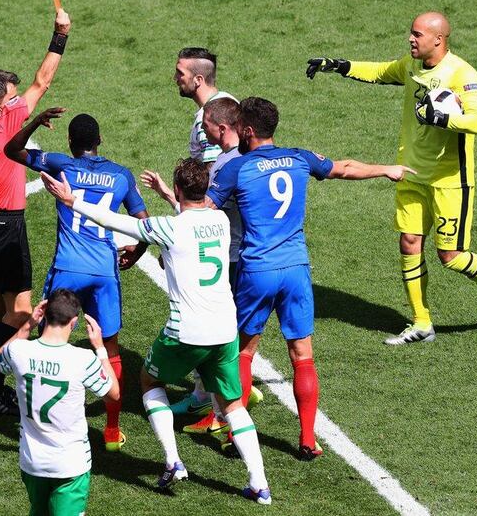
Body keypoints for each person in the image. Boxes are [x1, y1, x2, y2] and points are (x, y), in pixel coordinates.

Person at [41, 159, 272, 504]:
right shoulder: (221, 221)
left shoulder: (168, 228)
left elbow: (115, 220)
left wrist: (73, 201)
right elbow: (193, 217)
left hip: (186, 331)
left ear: (180, 190)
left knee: (149, 382)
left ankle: (172, 460)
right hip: (225, 330)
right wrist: (169, 195)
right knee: (233, 403)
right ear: (205, 189)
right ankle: (259, 483)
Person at [206, 96, 414, 460]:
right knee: (302, 356)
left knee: (243, 352)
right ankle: (307, 440)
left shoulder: (235, 168)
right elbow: (345, 168)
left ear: (249, 130)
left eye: (239, 127)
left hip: (257, 270)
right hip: (297, 269)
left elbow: (202, 211)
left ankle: (235, 433)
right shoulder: (300, 157)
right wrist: (386, 169)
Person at [305, 11, 477, 345]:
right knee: (409, 242)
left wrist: (443, 118)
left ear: (438, 39)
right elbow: (380, 72)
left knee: (450, 257)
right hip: (410, 171)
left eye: (418, 35)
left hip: (450, 179)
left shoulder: (461, 73)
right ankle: (422, 322)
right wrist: (339, 65)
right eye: (411, 32)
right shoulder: (410, 67)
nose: (411, 39)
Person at [4, 109, 149, 451]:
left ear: (70, 142)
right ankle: (112, 431)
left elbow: (12, 150)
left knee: (49, 341)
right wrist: (137, 252)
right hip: (104, 271)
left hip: (68, 268)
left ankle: (43, 421)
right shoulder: (121, 176)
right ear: (99, 141)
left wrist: (35, 122)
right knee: (109, 347)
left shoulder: (61, 164)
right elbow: (144, 223)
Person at [0, 6, 71, 414]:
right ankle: (21, 389)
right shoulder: (5, 122)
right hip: (6, 225)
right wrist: (61, 34)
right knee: (21, 314)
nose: (17, 98)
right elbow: (43, 80)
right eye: (11, 95)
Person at [141, 97, 263, 439]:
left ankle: (224, 409)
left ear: (221, 127)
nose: (200, 130)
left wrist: (171, 207)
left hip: (236, 256)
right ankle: (203, 399)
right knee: (223, 334)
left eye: (205, 124)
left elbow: (202, 212)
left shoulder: (230, 163)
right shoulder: (237, 157)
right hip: (235, 251)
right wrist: (171, 195)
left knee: (224, 335)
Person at [0, 289, 119, 516]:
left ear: (44, 315)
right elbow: (114, 393)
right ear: (73, 322)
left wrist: (27, 326)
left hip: (32, 462)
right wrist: (100, 348)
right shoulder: (82, 359)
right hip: (70, 464)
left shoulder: (19, 350)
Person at [174, 47, 238, 163]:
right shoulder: (230, 101)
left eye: (180, 73)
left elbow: (212, 169)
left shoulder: (208, 119)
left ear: (198, 80)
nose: (175, 78)